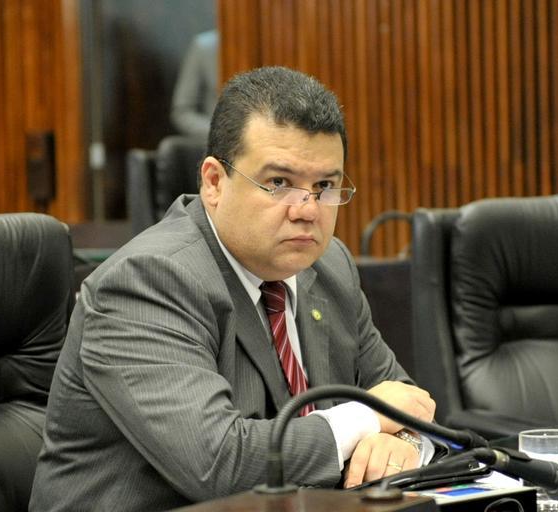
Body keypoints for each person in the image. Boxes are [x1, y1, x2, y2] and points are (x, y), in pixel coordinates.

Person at [29, 66, 438, 511]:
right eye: (279, 183)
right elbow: (219, 465)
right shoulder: (146, 281)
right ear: (213, 182)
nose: (307, 210)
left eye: (324, 186)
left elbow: (404, 397)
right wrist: (367, 418)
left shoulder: (328, 265)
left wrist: (402, 444)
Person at [170, 29, 219, 145]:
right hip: (216, 143)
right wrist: (218, 133)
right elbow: (182, 111)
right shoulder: (205, 46)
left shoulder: (262, 39)